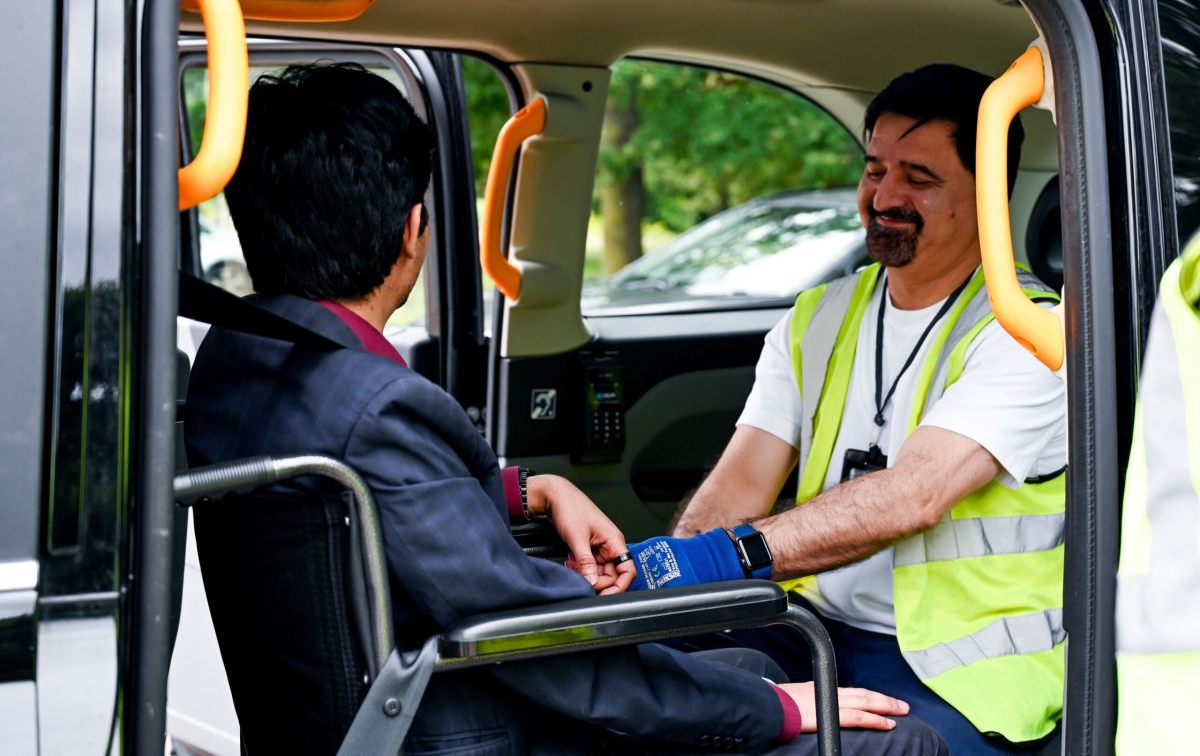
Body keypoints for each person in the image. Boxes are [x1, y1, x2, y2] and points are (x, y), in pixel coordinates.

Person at [183, 62, 947, 756]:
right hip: (459, 730)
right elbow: (552, 644)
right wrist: (778, 712)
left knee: (747, 661)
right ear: (414, 231)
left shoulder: (235, 363)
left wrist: (532, 489)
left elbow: (391, 510)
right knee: (893, 742)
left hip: (341, 720)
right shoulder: (376, 404)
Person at [626, 64, 1067, 754]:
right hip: (809, 624)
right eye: (873, 170)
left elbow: (914, 494)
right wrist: (666, 579)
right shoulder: (820, 317)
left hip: (962, 668)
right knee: (646, 694)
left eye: (918, 179)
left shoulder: (1030, 332)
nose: (884, 196)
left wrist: (726, 556)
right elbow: (740, 484)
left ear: (986, 193)